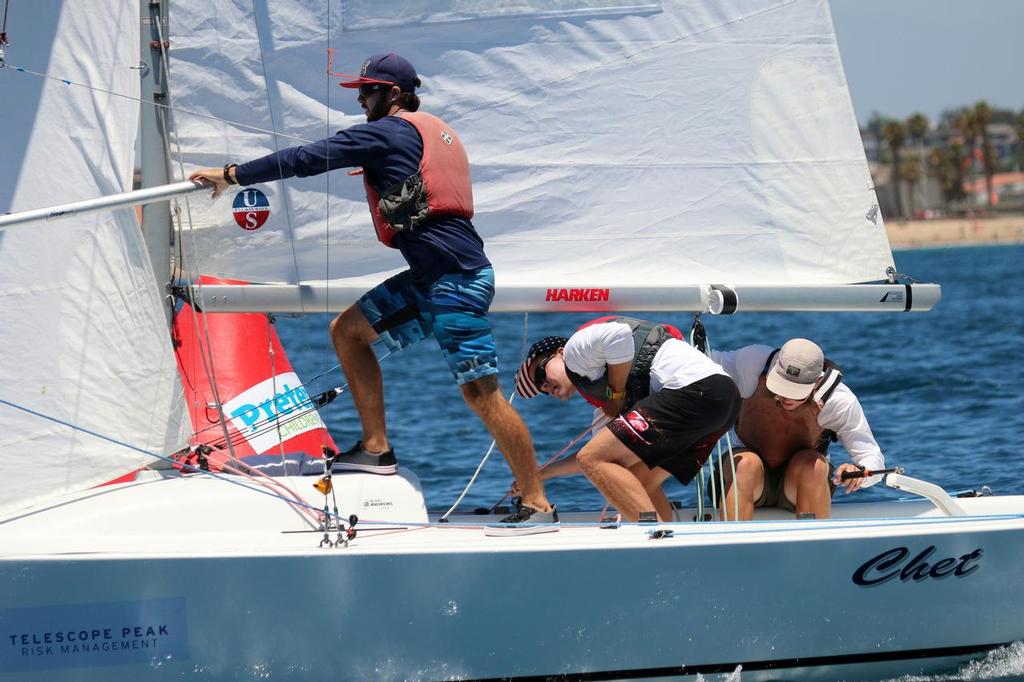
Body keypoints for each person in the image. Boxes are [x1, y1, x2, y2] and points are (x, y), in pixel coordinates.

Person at [189, 53, 555, 533]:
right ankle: (376, 448)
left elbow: (306, 159)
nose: (360, 99)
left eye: (368, 91)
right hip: (434, 278)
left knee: (481, 394)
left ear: (395, 95)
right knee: (348, 331)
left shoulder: (390, 131)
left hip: (457, 280)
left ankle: (538, 503)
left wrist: (233, 175)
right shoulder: (424, 130)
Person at [514, 316, 740, 522]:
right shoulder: (604, 394)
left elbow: (619, 334)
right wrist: (540, 474)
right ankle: (667, 539)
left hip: (694, 389)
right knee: (634, 477)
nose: (545, 386)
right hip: (725, 401)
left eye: (541, 372)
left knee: (594, 459)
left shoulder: (575, 351)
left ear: (560, 352)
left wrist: (617, 393)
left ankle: (655, 534)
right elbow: (601, 458)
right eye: (541, 389)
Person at [709, 338, 886, 520]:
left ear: (817, 382)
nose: (786, 396)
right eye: (782, 385)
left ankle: (812, 542)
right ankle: (734, 543)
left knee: (813, 465)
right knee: (745, 464)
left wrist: (859, 472)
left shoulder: (839, 401)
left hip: (799, 485)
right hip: (744, 478)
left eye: (795, 391)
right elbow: (705, 358)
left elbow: (872, 457)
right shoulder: (751, 362)